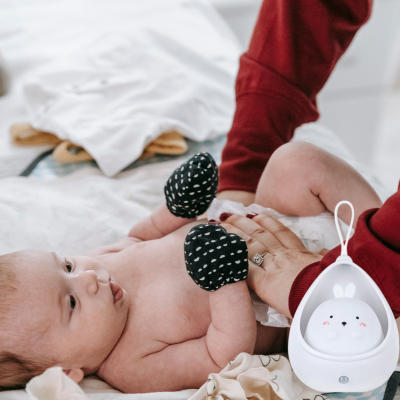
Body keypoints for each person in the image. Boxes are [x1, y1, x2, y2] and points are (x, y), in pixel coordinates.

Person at [0, 142, 381, 393]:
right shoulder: (131, 367)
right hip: (306, 300)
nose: (86, 277)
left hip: (273, 223)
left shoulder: (100, 264)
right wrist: (225, 283)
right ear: (66, 373)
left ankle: (381, 236)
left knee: (295, 161)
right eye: (70, 304)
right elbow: (222, 354)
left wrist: (177, 208)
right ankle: (380, 281)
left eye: (65, 264)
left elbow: (140, 237)